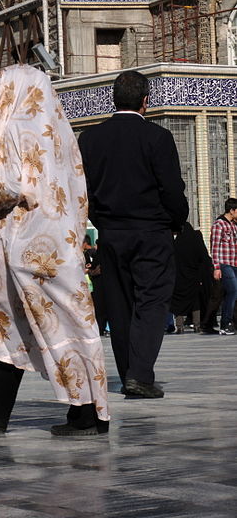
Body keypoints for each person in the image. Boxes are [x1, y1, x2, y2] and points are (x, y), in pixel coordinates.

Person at [0, 64, 109, 437]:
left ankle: (88, 413)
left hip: (26, 238)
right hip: (61, 236)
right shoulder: (60, 129)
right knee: (31, 317)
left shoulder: (11, 126)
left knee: (44, 320)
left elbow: (5, 186)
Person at [78, 70, 188, 398]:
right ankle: (140, 375)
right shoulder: (157, 137)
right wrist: (176, 219)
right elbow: (171, 188)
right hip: (152, 231)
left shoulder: (90, 138)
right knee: (152, 300)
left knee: (120, 304)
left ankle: (129, 374)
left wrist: (101, 222)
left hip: (112, 233)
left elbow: (86, 191)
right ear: (145, 101)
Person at [170, 223, 211, 334]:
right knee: (195, 301)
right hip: (194, 277)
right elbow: (203, 257)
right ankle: (197, 325)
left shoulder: (176, 243)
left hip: (179, 277)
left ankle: (180, 326)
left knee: (178, 301)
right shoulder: (196, 240)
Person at [210, 198, 237, 335]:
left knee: (232, 293)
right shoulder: (219, 224)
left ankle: (229, 322)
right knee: (232, 290)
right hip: (224, 263)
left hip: (234, 263)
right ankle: (225, 323)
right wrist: (216, 267)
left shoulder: (234, 225)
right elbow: (214, 247)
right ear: (232, 210)